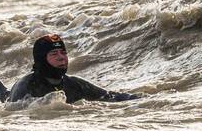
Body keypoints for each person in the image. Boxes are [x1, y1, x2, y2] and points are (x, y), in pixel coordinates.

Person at [8, 34, 140, 103]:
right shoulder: (26, 87)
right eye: (54, 54)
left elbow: (110, 97)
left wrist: (146, 99)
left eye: (63, 53)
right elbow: (14, 114)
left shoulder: (74, 84)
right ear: (41, 59)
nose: (62, 58)